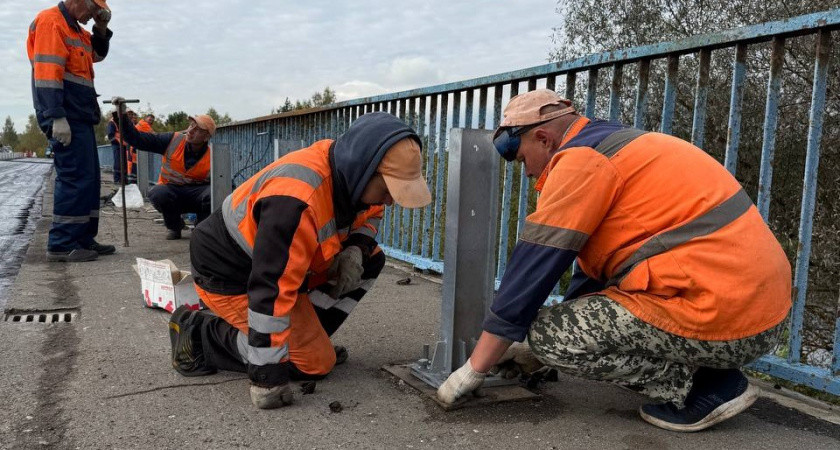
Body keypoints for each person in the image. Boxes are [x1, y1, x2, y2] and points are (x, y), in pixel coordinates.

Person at [436, 89, 792, 432]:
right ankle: (709, 370)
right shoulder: (618, 146)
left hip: (728, 318)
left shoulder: (579, 160)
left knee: (548, 335)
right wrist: (537, 355)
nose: (527, 173)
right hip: (762, 312)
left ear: (544, 138)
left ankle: (706, 386)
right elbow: (591, 279)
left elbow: (532, 268)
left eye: (522, 158)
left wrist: (475, 367)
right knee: (553, 335)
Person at [168, 112, 431, 409]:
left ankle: (301, 341)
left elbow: (370, 216)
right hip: (231, 274)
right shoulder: (295, 201)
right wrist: (267, 374)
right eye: (386, 191)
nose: (389, 201)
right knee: (314, 365)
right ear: (363, 170)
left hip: (276, 266)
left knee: (370, 259)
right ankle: (200, 333)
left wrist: (356, 247)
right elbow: (272, 289)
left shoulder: (349, 171)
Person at [28, 0, 115, 262]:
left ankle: (82, 238)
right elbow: (46, 71)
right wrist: (56, 116)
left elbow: (96, 55)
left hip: (80, 116)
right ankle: (63, 243)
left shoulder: (75, 30)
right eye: (92, 9)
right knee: (75, 178)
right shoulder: (51, 22)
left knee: (89, 180)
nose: (92, 15)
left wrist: (101, 28)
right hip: (65, 116)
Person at [112, 98, 214, 240]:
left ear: (207, 136)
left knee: (214, 194)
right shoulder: (172, 140)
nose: (191, 131)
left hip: (197, 196)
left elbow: (226, 186)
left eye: (197, 129)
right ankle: (175, 227)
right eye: (191, 126)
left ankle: (201, 228)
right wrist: (121, 115)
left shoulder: (213, 156)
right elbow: (136, 139)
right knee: (158, 193)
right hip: (173, 192)